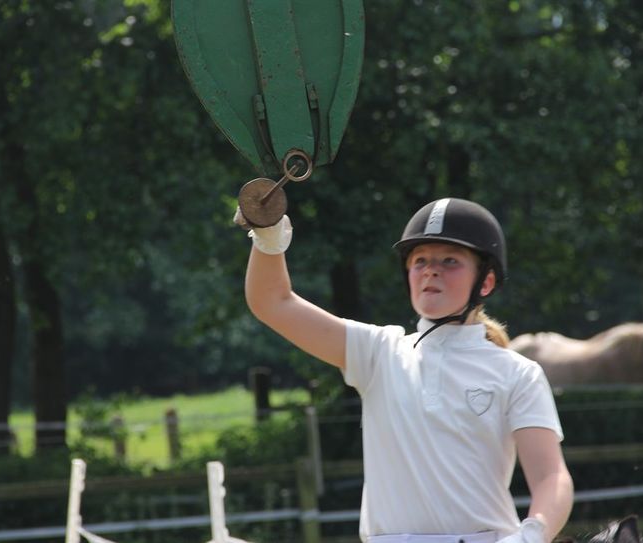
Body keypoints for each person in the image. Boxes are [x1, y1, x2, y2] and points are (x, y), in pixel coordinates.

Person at [237, 197, 573, 543]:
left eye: (450, 260)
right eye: (420, 260)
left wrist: (531, 535)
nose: (431, 270)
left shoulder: (518, 373)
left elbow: (551, 476)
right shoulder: (377, 351)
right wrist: (268, 236)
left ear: (485, 282)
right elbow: (273, 302)